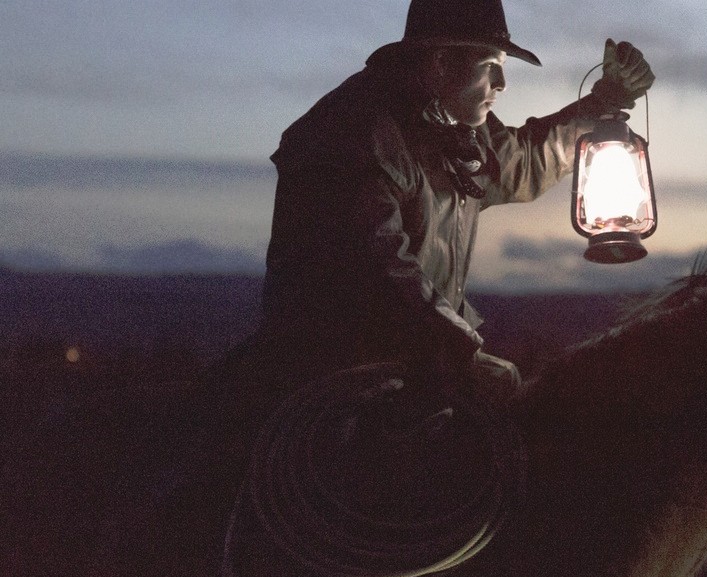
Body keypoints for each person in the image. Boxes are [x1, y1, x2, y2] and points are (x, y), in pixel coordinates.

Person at [231, 0, 654, 417]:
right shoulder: (353, 133)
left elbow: (524, 159)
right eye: (491, 65)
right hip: (333, 387)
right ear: (440, 63)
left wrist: (603, 103)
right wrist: (462, 358)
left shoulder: (453, 129)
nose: (503, 82)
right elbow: (375, 274)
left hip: (412, 367)